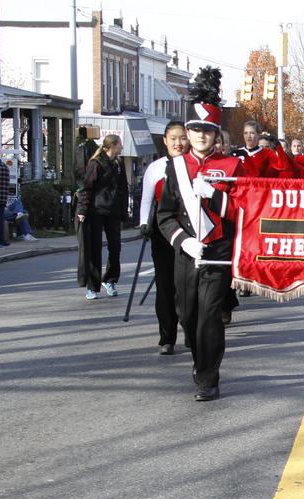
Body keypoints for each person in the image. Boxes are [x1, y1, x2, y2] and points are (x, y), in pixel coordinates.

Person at [156, 67, 245, 401]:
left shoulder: (233, 167)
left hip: (218, 251)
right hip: (187, 252)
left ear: (215, 133)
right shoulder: (174, 167)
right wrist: (183, 240)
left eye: (208, 130)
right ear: (188, 131)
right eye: (195, 130)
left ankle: (208, 377)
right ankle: (199, 357)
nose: (201, 136)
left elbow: (243, 211)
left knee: (209, 316)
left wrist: (215, 196)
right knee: (187, 315)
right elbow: (164, 215)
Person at [139, 121, 189, 355]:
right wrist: (143, 223)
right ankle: (166, 336)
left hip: (190, 231)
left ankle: (191, 330)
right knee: (165, 286)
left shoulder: (193, 165)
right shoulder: (156, 168)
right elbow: (146, 198)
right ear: (165, 140)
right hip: (163, 232)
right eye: (173, 138)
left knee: (187, 287)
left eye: (182, 138)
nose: (178, 143)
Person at [75, 135, 127, 299]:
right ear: (112, 146)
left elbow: (123, 188)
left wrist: (124, 212)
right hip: (96, 210)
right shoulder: (96, 163)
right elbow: (86, 187)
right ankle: (92, 285)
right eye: (119, 144)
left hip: (113, 211)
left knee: (115, 247)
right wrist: (82, 210)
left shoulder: (119, 163)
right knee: (94, 247)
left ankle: (110, 279)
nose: (121, 147)